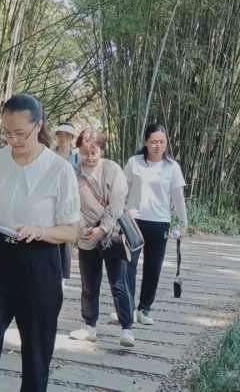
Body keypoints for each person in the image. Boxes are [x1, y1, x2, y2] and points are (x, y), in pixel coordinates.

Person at [0, 94, 80, 392]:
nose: (13, 140)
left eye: (20, 133)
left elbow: (71, 230)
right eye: (7, 133)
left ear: (39, 126)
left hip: (39, 265)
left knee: (36, 355)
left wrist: (39, 230)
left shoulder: (59, 170)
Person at [112, 124, 188, 326]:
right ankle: (127, 308)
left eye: (162, 142)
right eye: (154, 142)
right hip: (133, 221)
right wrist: (116, 214)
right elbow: (123, 190)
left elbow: (178, 197)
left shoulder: (172, 167)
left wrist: (183, 223)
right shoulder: (134, 162)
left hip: (159, 222)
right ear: (145, 142)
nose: (158, 146)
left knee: (153, 268)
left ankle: (144, 308)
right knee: (128, 266)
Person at [68, 128, 135, 347]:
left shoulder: (112, 169)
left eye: (93, 152)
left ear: (101, 150)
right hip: (86, 235)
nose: (89, 157)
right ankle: (89, 325)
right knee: (89, 284)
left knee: (119, 283)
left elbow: (117, 203)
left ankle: (127, 328)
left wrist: (103, 228)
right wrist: (83, 228)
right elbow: (70, 203)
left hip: (112, 235)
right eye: (84, 152)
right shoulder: (73, 171)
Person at [53, 122, 80, 289]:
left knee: (66, 237)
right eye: (61, 134)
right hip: (52, 200)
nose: (64, 137)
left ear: (72, 137)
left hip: (70, 201)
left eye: (67, 134)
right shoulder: (49, 154)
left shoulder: (78, 157)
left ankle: (63, 276)